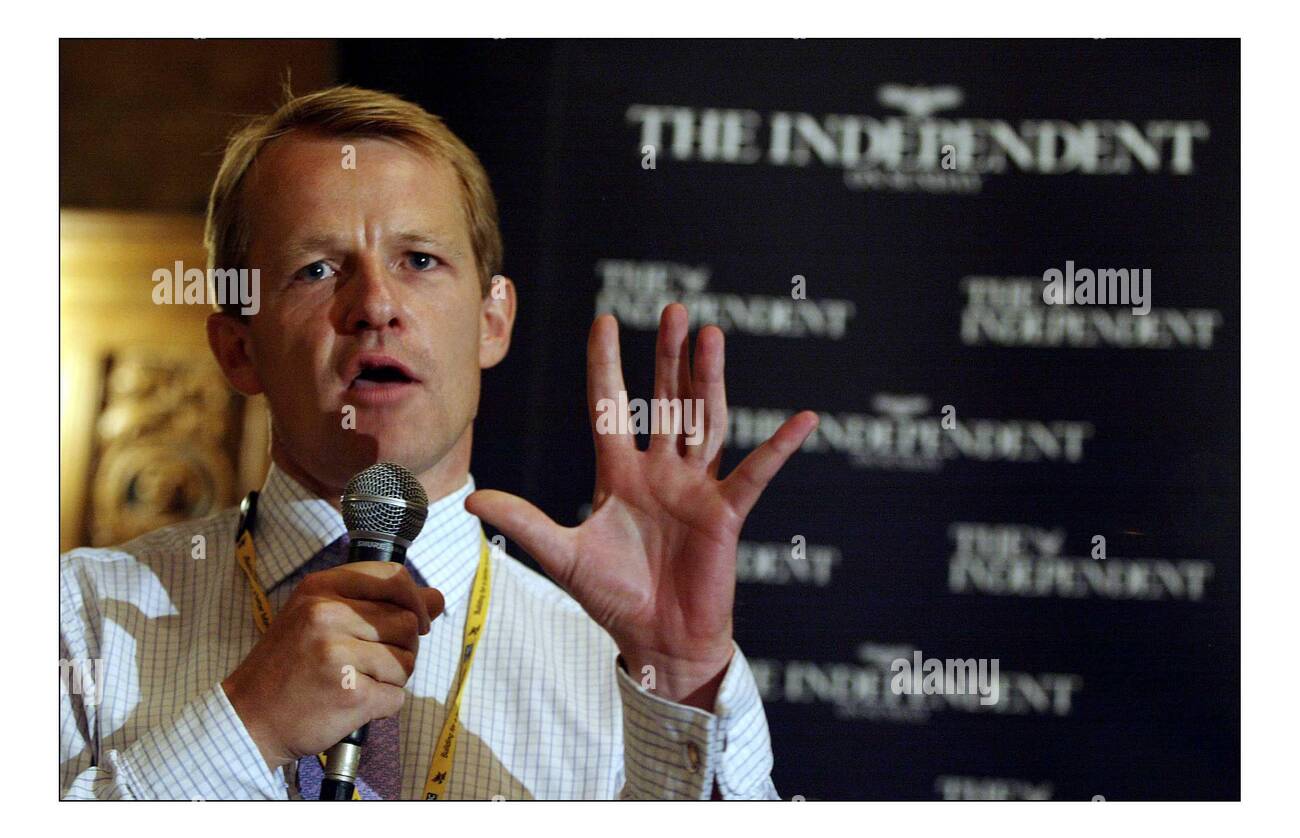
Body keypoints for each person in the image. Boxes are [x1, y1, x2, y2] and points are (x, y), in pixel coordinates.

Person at [59, 85, 818, 800]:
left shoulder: (623, 669)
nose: (376, 305)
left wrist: (683, 673)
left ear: (494, 320)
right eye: (317, 269)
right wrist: (246, 727)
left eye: (419, 261)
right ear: (237, 350)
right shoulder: (79, 613)